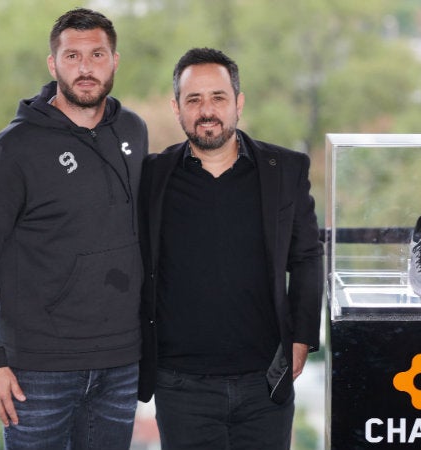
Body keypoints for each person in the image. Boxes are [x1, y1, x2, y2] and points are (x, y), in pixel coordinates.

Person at [0, 8, 147, 450]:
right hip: (37, 371)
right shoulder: (11, 151)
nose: (85, 67)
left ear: (114, 61)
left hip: (120, 362)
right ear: (52, 64)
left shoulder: (133, 130)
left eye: (97, 54)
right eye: (72, 55)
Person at [137, 47, 324, 449]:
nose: (207, 110)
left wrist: (302, 337)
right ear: (177, 108)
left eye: (218, 97)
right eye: (194, 100)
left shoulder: (285, 171)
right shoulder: (151, 178)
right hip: (180, 384)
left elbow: (307, 257)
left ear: (238, 102)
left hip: (266, 379)